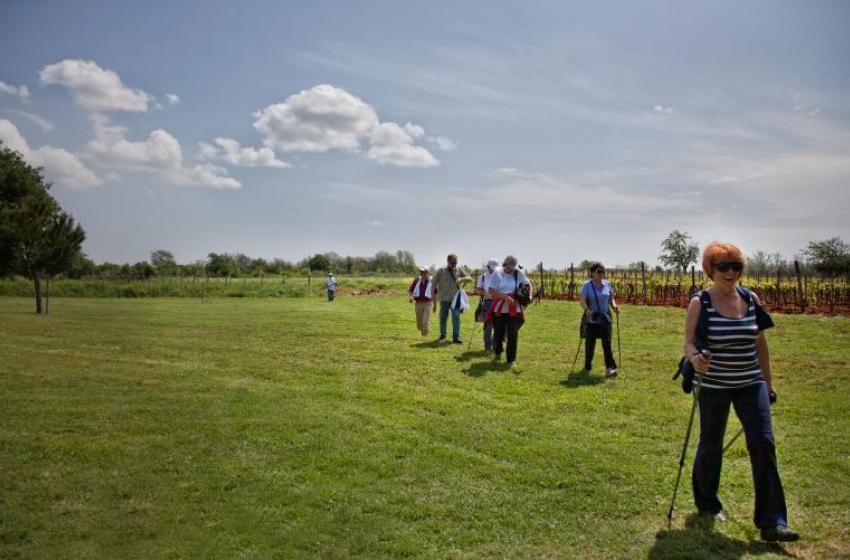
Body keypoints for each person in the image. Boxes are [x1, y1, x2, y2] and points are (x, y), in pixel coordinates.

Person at [684, 241, 798, 542]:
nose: (731, 272)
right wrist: (696, 360)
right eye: (723, 267)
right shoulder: (700, 303)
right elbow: (689, 344)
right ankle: (707, 503)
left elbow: (760, 342)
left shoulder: (750, 298)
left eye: (736, 267)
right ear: (711, 269)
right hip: (714, 385)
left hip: (751, 383)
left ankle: (772, 522)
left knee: (763, 443)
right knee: (711, 444)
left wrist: (768, 383)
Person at [487, 255, 532, 368]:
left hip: (514, 308)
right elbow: (491, 291)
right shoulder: (497, 273)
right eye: (509, 267)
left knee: (513, 334)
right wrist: (505, 298)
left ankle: (511, 360)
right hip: (500, 308)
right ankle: (498, 352)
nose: (511, 270)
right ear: (505, 264)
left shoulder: (518, 273)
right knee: (498, 334)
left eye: (513, 268)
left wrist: (529, 296)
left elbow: (528, 283)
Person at [579, 262, 620, 377]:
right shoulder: (587, 285)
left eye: (603, 271)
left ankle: (609, 368)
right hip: (592, 319)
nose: (601, 273)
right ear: (592, 273)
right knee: (590, 344)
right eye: (598, 271)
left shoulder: (607, 284)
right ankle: (587, 365)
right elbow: (582, 300)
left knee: (607, 343)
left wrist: (615, 307)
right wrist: (587, 309)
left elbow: (611, 299)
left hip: (605, 319)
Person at [432, 253, 472, 343]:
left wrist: (462, 279)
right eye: (452, 263)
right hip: (444, 299)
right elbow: (433, 283)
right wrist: (433, 298)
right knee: (443, 318)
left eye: (456, 263)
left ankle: (456, 338)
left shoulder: (459, 270)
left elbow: (470, 278)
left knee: (456, 318)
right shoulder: (441, 271)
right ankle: (442, 336)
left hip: (455, 300)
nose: (454, 265)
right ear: (448, 261)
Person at [475, 259, 500, 352]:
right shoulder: (483, 277)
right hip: (487, 303)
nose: (492, 270)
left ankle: (495, 345)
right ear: (488, 267)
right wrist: (485, 293)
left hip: (498, 302)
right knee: (488, 326)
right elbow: (477, 290)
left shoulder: (500, 276)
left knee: (498, 326)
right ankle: (487, 347)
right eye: (491, 268)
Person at [408, 267, 433, 336]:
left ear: (427, 273)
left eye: (424, 272)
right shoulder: (416, 280)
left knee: (425, 321)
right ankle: (422, 329)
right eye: (421, 272)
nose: (422, 273)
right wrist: (410, 297)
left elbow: (436, 292)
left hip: (428, 303)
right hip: (418, 303)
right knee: (419, 322)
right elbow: (411, 290)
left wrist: (435, 303)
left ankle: (425, 335)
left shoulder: (431, 281)